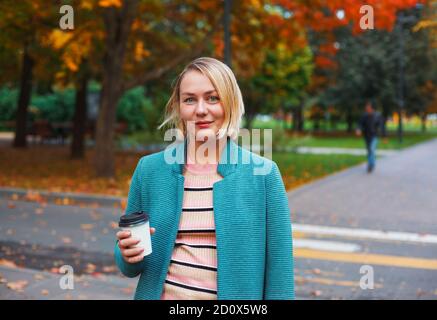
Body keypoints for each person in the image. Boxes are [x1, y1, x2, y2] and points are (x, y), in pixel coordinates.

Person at [114, 57, 294, 300]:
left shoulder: (263, 175)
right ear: (178, 107)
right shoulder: (149, 170)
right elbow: (130, 264)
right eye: (189, 99)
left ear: (230, 103)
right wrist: (126, 254)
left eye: (212, 98)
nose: (200, 110)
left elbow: (280, 278)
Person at [356, 101, 383, 173]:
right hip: (366, 136)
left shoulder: (377, 115)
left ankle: (370, 165)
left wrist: (384, 135)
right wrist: (358, 129)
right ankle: (371, 163)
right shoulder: (364, 116)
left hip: (374, 136)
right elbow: (360, 124)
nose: (366, 108)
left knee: (371, 149)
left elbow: (381, 125)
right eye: (366, 107)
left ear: (372, 108)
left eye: (368, 107)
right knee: (369, 151)